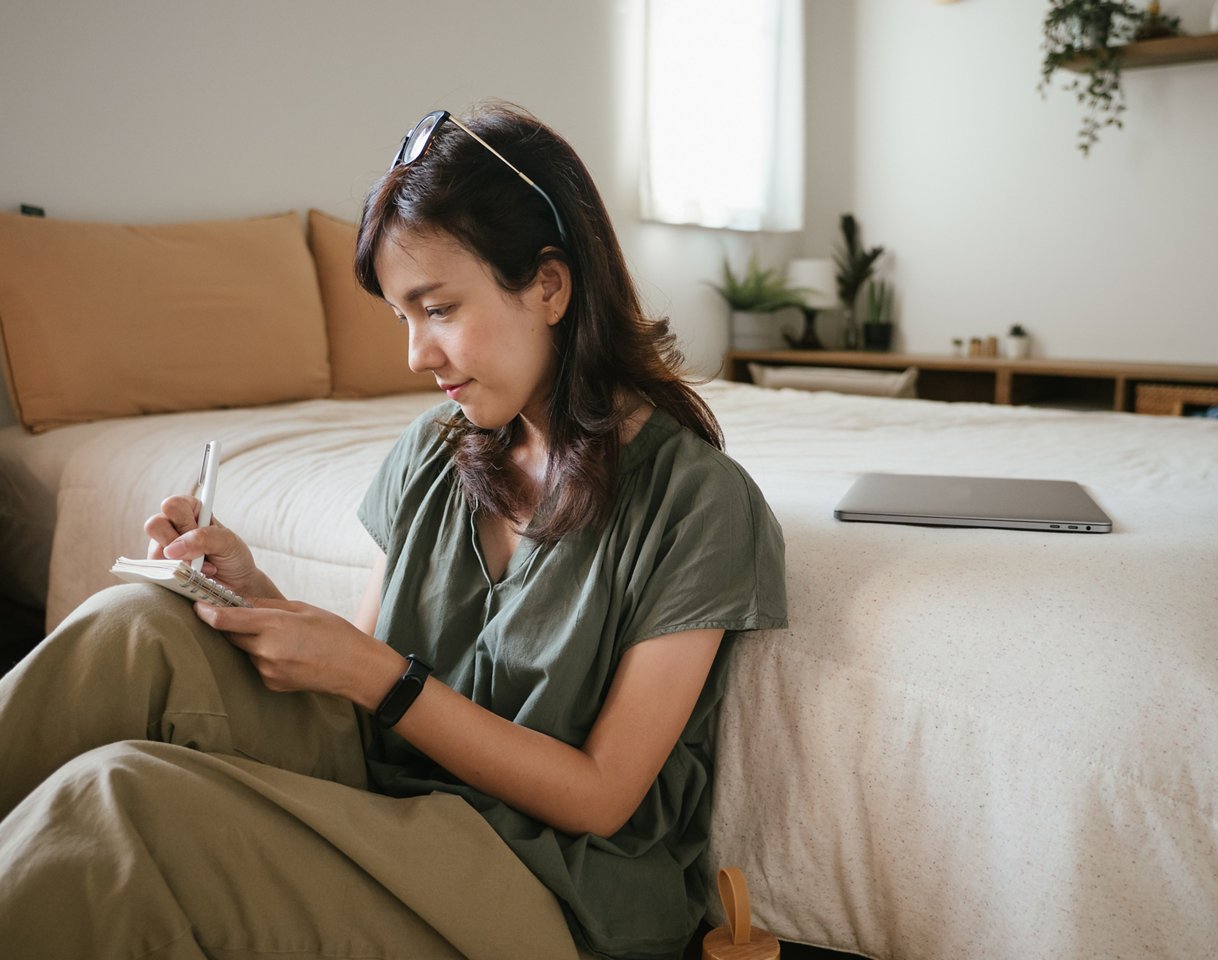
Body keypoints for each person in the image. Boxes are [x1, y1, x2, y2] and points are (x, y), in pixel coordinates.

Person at [0, 103, 787, 960]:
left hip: (544, 888)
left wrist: (378, 674)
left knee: (122, 804)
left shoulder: (699, 504)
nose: (416, 356)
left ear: (551, 286)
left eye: (438, 308)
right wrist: (251, 595)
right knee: (134, 629)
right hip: (395, 794)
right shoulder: (436, 451)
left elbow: (601, 796)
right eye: (402, 317)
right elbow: (371, 680)